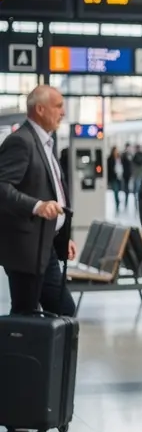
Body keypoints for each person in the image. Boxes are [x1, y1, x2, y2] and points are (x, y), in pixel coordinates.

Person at [0, 85, 77, 316]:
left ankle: (47, 353)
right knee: (26, 316)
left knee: (63, 312)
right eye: (58, 106)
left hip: (46, 246)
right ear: (40, 109)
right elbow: (2, 186)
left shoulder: (45, 143)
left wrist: (63, 238)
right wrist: (37, 206)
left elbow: (53, 191)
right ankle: (17, 353)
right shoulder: (21, 141)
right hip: (26, 251)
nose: (62, 112)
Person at [108, 146, 122, 212]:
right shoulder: (110, 159)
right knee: (115, 190)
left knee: (118, 190)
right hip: (113, 177)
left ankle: (118, 201)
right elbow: (110, 169)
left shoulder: (119, 158)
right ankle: (117, 203)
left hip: (119, 177)